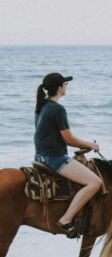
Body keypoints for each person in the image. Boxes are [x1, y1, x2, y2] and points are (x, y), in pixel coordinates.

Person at [34, 73, 102, 238]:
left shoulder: (42, 106)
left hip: (41, 156)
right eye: (65, 84)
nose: (66, 87)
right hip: (55, 157)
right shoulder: (57, 109)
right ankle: (66, 219)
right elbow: (69, 139)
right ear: (59, 88)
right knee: (95, 182)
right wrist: (90, 144)